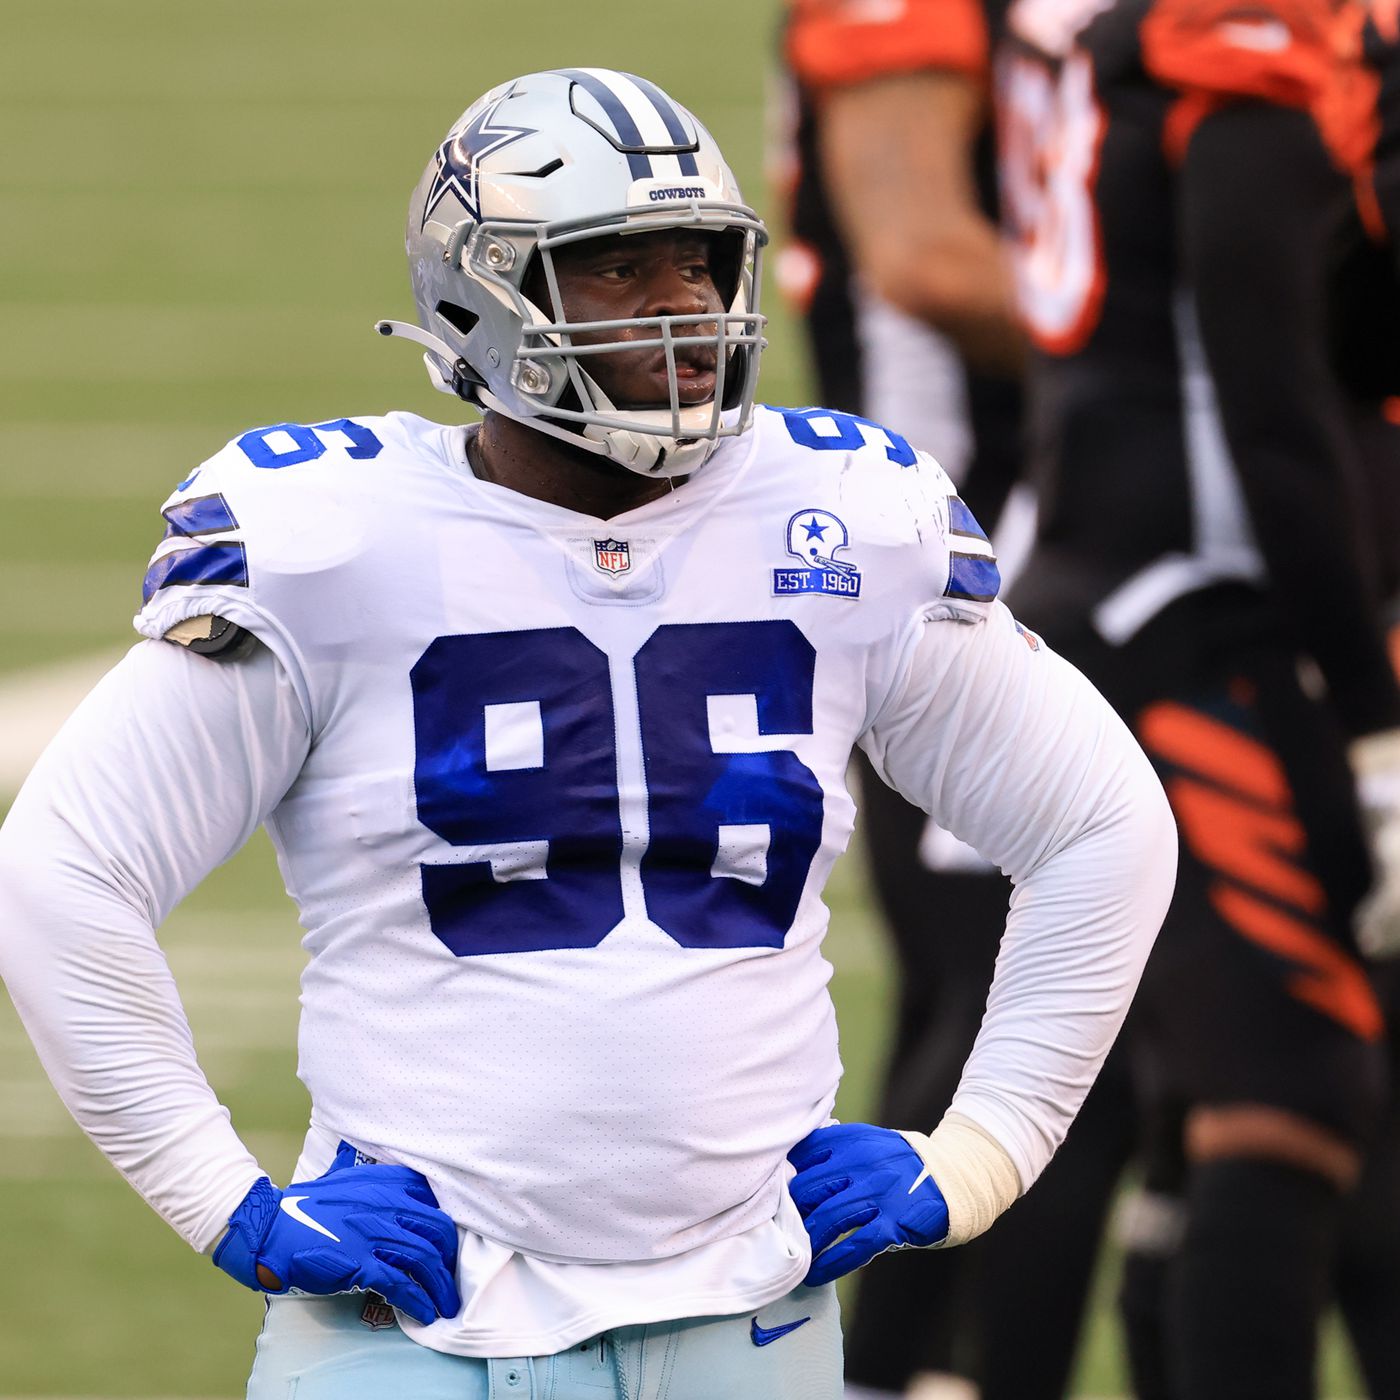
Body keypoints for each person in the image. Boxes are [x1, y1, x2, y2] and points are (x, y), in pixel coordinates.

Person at [0, 67, 1175, 1400]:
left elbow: (1101, 824)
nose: (681, 305)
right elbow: (65, 868)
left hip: (751, 1319)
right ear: (478, 297)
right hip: (420, 1334)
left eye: (700, 262)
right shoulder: (336, 540)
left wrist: (986, 1151)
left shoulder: (840, 516)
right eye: (616, 268)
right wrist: (226, 1200)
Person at [995, 0, 1400, 1393]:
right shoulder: (1244, 53)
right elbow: (1270, 395)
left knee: (1206, 1107)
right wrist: (1370, 721)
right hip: (1195, 625)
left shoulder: (1168, 49)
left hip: (1142, 597)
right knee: (1287, 1103)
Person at [780, 5, 1138, 1397]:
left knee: (1020, 993)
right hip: (935, 547)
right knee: (1015, 990)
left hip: (1046, 520)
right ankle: (892, 1369)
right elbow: (923, 252)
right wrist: (1195, 336)